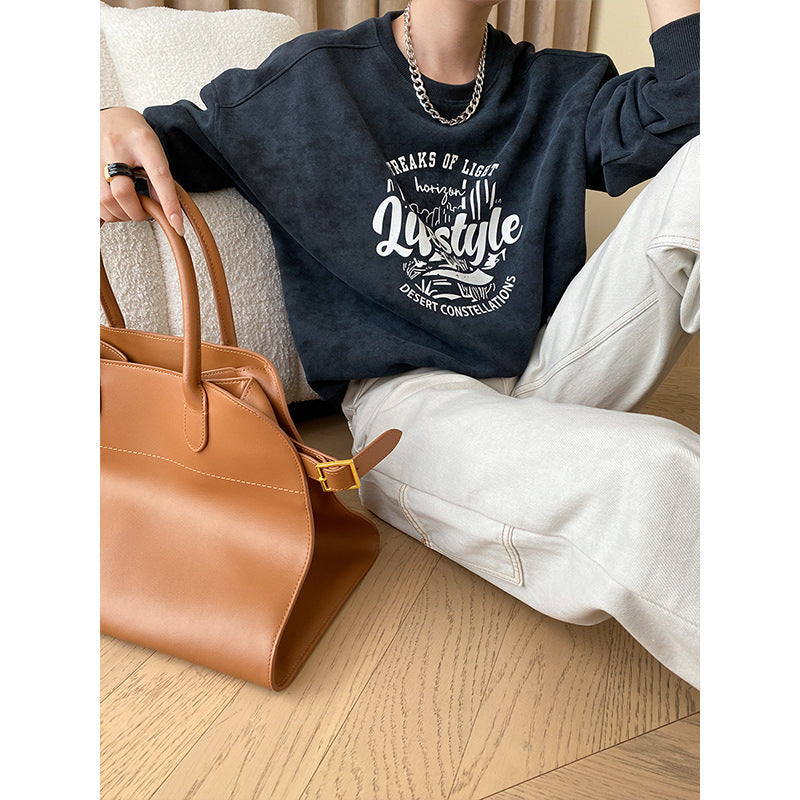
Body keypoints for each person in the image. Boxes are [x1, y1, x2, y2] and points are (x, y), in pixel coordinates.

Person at [100, 0, 701, 688]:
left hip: (553, 360)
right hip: (409, 407)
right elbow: (165, 141)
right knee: (652, 476)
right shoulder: (311, 85)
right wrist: (107, 122)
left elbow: (692, 109)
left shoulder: (562, 88)